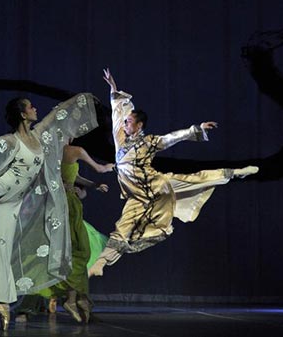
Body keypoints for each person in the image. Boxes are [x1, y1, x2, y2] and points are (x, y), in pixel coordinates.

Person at [0, 93, 99, 331]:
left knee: (2, 248)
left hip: (12, 203)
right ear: (23, 114)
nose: (36, 109)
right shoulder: (11, 141)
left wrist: (85, 100)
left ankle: (2, 303)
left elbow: (57, 116)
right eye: (31, 107)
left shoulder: (37, 137)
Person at [88, 68, 258, 277]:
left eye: (129, 122)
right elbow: (118, 113)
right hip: (137, 196)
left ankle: (236, 172)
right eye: (126, 122)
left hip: (157, 185)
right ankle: (101, 264)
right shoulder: (120, 138)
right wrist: (113, 89)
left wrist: (197, 128)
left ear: (139, 126)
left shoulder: (150, 142)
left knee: (194, 179)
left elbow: (172, 137)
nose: (125, 123)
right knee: (122, 227)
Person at [42, 142, 113, 322]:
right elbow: (100, 168)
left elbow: (73, 175)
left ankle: (73, 297)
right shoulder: (75, 150)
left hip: (58, 203)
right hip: (67, 205)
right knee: (79, 252)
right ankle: (72, 298)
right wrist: (108, 167)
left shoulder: (53, 149)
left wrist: (93, 185)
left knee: (70, 252)